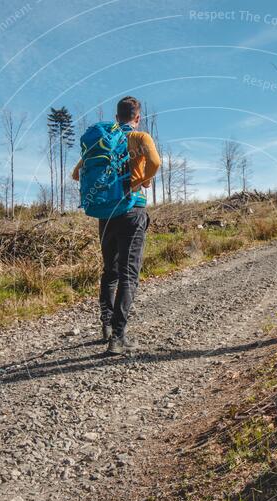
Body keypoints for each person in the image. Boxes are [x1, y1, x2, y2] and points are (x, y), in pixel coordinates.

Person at [71, 96, 161, 354]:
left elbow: (76, 174)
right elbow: (155, 163)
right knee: (128, 274)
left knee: (109, 271)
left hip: (106, 215)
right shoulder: (140, 138)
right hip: (132, 210)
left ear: (117, 115)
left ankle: (107, 327)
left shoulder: (102, 142)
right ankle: (119, 337)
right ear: (137, 117)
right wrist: (142, 180)